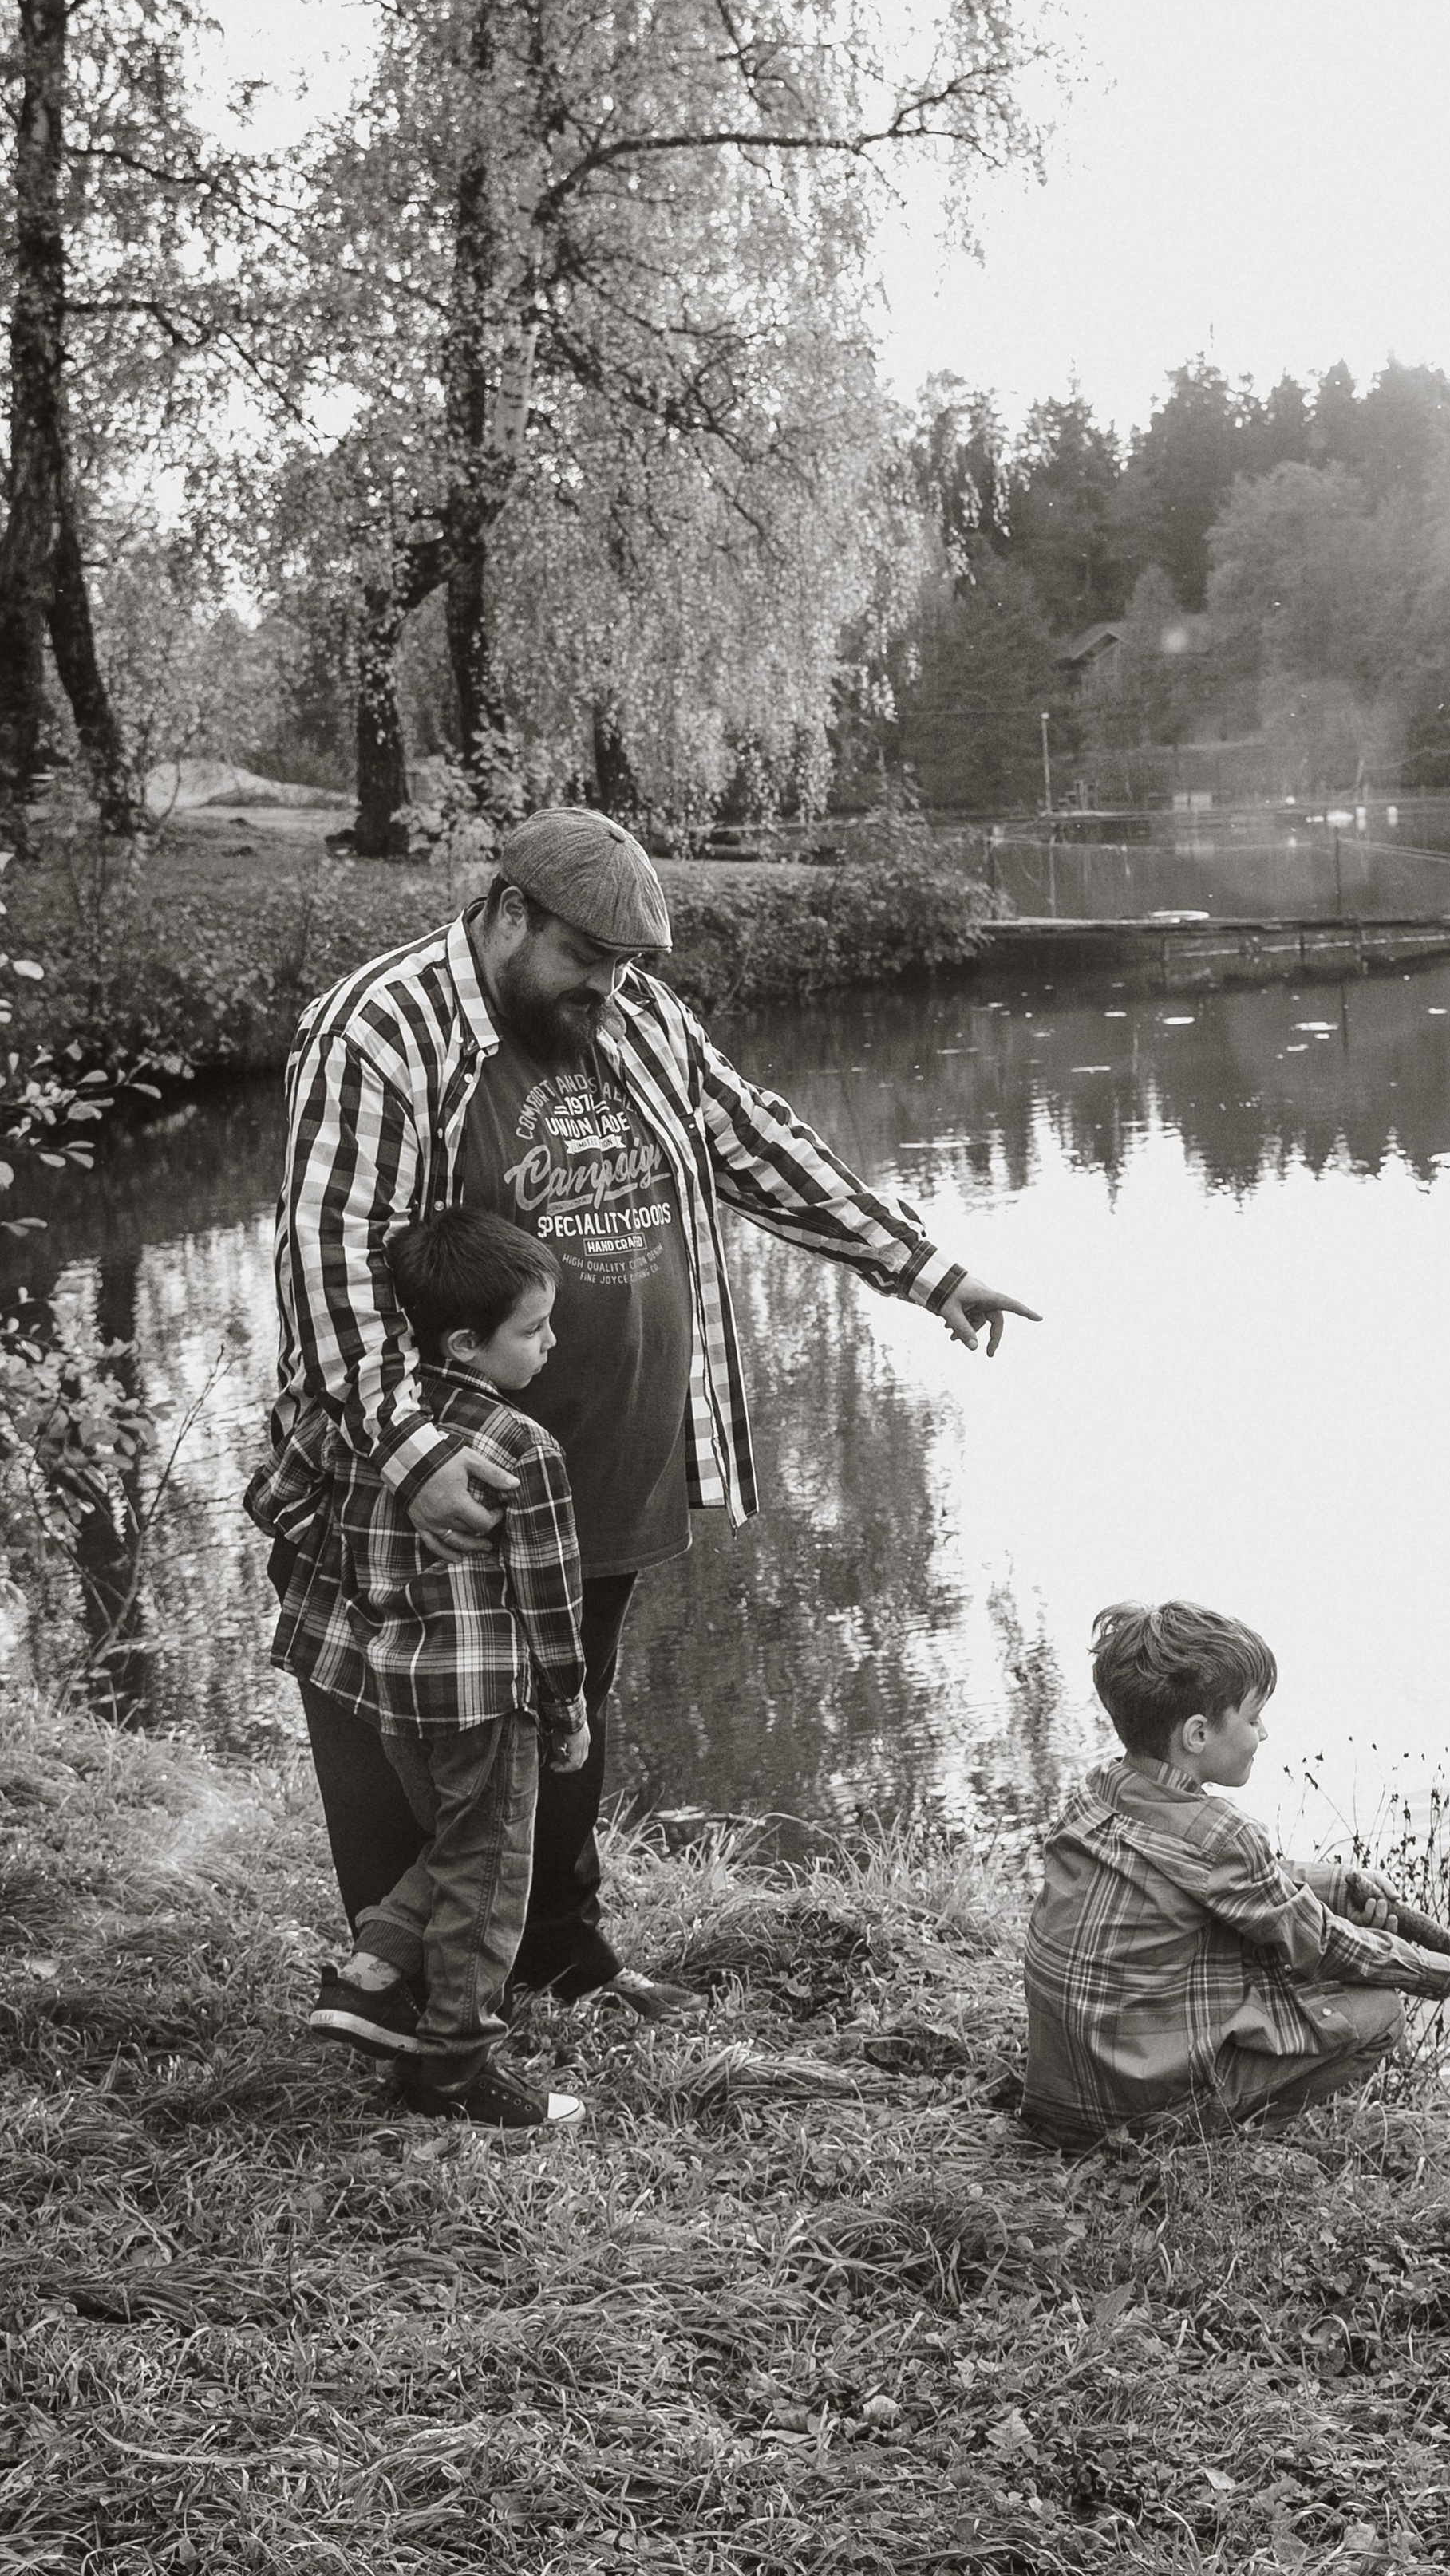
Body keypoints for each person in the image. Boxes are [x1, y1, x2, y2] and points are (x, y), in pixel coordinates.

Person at [264, 806, 1037, 2033]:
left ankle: (559, 1954)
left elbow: (757, 1141)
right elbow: (331, 1267)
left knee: (568, 1713)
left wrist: (927, 1269)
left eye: (628, 967)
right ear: (509, 912)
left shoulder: (631, 1017)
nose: (606, 989)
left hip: (607, 1465)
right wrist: (412, 1456)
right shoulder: (383, 1030)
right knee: (420, 1723)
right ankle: (404, 2000)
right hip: (440, 1473)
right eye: (585, 957)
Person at [248, 1209, 591, 2128]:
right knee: (487, 1875)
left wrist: (362, 1555)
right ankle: (454, 2066)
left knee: (455, 1844)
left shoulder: (350, 1420)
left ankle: (365, 1981)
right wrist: (567, 1705)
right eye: (534, 1328)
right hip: (484, 1700)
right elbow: (553, 1608)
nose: (552, 1342)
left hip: (383, 1684)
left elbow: (270, 1503)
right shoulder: (524, 1451)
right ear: (466, 1343)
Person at [1021, 1602, 1450, 2145]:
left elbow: (1225, 1876)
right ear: (1198, 1734)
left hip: (1062, 2094)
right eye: (1253, 1718)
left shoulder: (1100, 1789)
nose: (1265, 1732)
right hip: (1130, 2121)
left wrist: (1335, 1885)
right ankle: (1208, 2137)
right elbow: (1322, 1944)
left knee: (1260, 1962)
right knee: (1380, 2012)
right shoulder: (1223, 1836)